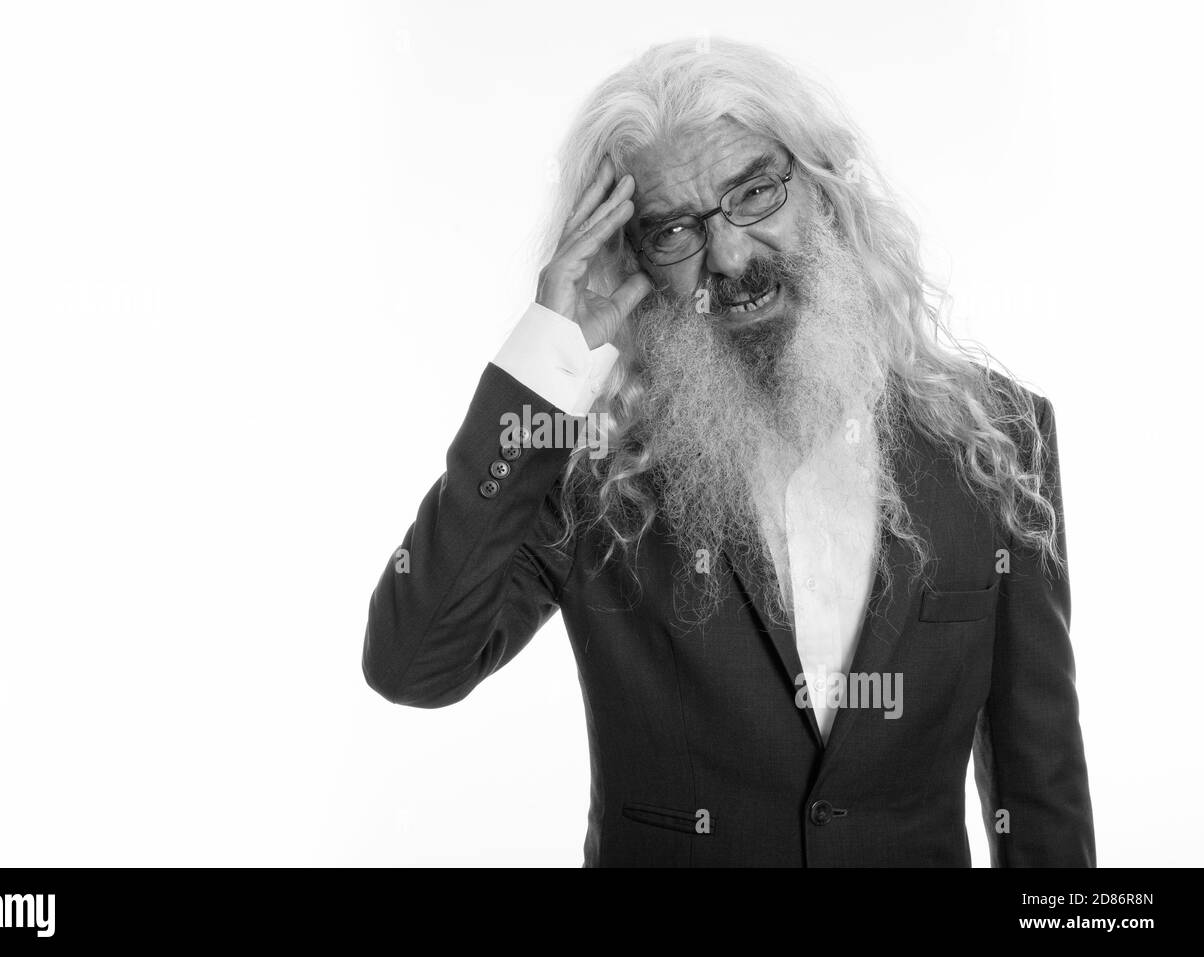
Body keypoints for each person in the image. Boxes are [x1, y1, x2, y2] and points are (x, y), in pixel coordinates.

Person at [362, 36, 1095, 867]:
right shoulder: (590, 464)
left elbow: (1042, 800)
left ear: (823, 189)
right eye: (673, 229)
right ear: (630, 255)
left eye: (754, 192)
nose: (732, 256)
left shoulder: (996, 437)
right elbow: (413, 662)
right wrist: (547, 362)